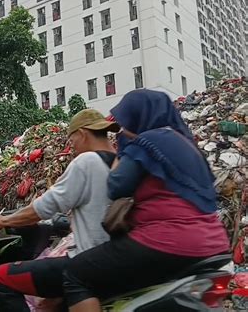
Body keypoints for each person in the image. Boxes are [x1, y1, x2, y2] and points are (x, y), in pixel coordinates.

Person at [62, 89, 230, 312]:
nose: (122, 128)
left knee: (75, 275)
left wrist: (122, 152)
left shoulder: (147, 142)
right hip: (213, 243)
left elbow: (115, 186)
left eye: (125, 120)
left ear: (138, 115)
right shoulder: (188, 145)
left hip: (166, 240)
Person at [0, 109, 120, 312]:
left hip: (86, 260)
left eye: (72, 141)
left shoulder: (86, 162)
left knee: (0, 278)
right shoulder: (119, 162)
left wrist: (2, 221)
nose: (72, 148)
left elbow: (44, 207)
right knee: (48, 304)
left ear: (82, 134)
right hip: (114, 258)